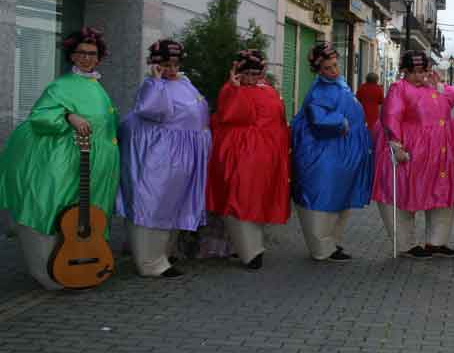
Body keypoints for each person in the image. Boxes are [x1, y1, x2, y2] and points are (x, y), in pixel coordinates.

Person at [0, 28, 120, 290]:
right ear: (72, 56)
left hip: (93, 163)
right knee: (51, 209)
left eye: (93, 54)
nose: (87, 58)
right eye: (82, 53)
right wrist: (68, 117)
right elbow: (41, 116)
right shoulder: (61, 85)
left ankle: (78, 261)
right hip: (63, 161)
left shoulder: (95, 85)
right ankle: (45, 269)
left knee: (84, 217)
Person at [116, 40, 211, 279]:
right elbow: (151, 110)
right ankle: (150, 262)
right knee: (155, 203)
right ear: (156, 64)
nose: (171, 69)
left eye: (175, 64)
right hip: (161, 157)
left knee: (172, 204)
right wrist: (156, 80)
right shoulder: (152, 85)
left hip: (181, 156)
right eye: (165, 64)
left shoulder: (184, 82)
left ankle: (164, 254)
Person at [371, 50, 454, 259]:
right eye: (417, 72)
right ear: (405, 71)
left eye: (425, 71)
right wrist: (396, 144)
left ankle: (436, 241)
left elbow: (453, 95)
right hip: (413, 150)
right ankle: (405, 244)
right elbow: (390, 115)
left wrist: (437, 84)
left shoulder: (433, 88)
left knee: (442, 194)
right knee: (404, 194)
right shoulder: (399, 89)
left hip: (439, 154)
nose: (421, 77)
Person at [206, 49, 290, 270]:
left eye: (257, 73)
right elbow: (226, 115)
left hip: (263, 155)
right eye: (249, 73)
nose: (253, 78)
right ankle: (250, 251)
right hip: (242, 154)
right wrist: (233, 87)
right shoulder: (234, 90)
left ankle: (250, 247)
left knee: (254, 200)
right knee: (241, 199)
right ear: (238, 72)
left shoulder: (267, 91)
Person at [291, 43, 373, 262]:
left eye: (335, 65)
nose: (334, 70)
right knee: (323, 201)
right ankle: (322, 248)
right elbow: (318, 120)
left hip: (339, 154)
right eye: (328, 68)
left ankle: (330, 244)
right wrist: (342, 123)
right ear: (319, 70)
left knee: (338, 201)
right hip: (325, 155)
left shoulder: (337, 84)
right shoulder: (319, 91)